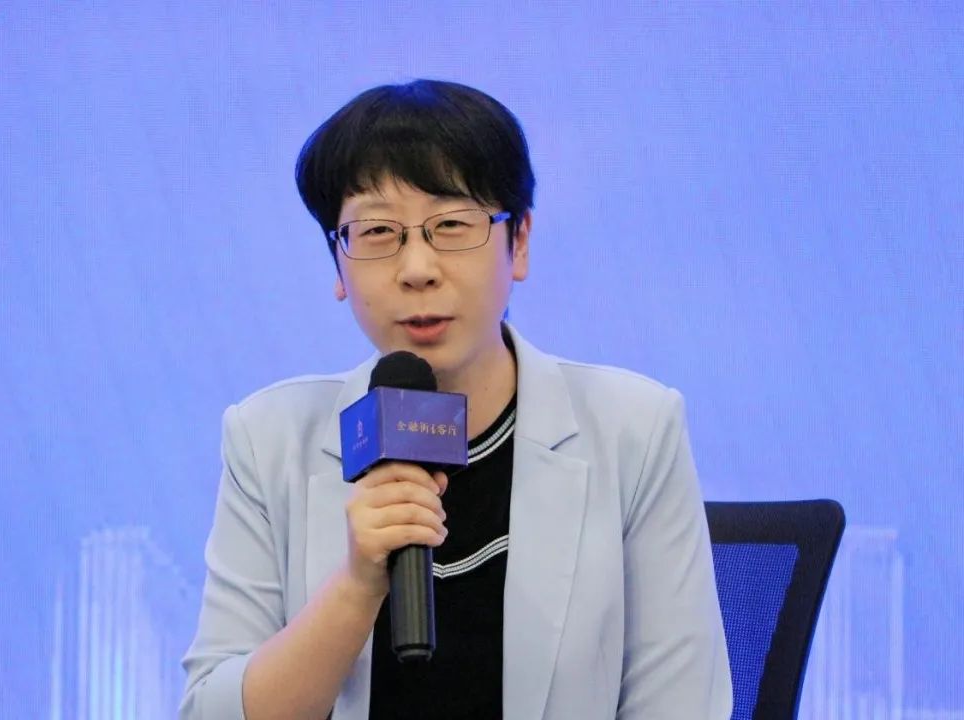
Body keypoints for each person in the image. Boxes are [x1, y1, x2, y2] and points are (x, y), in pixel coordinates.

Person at [180, 79, 732, 720]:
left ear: (518, 242)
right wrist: (356, 585)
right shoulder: (268, 439)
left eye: (450, 225)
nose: (418, 268)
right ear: (338, 264)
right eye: (378, 231)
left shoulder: (634, 431)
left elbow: (680, 705)